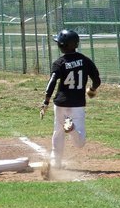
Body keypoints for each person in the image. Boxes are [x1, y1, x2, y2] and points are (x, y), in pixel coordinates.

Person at [40, 29, 101, 177]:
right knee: (79, 142)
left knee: (58, 133)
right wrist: (92, 90)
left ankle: (56, 162)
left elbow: (52, 81)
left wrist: (46, 101)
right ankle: (72, 128)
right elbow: (97, 80)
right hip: (77, 105)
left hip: (60, 104)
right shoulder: (85, 60)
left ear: (62, 46)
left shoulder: (59, 63)